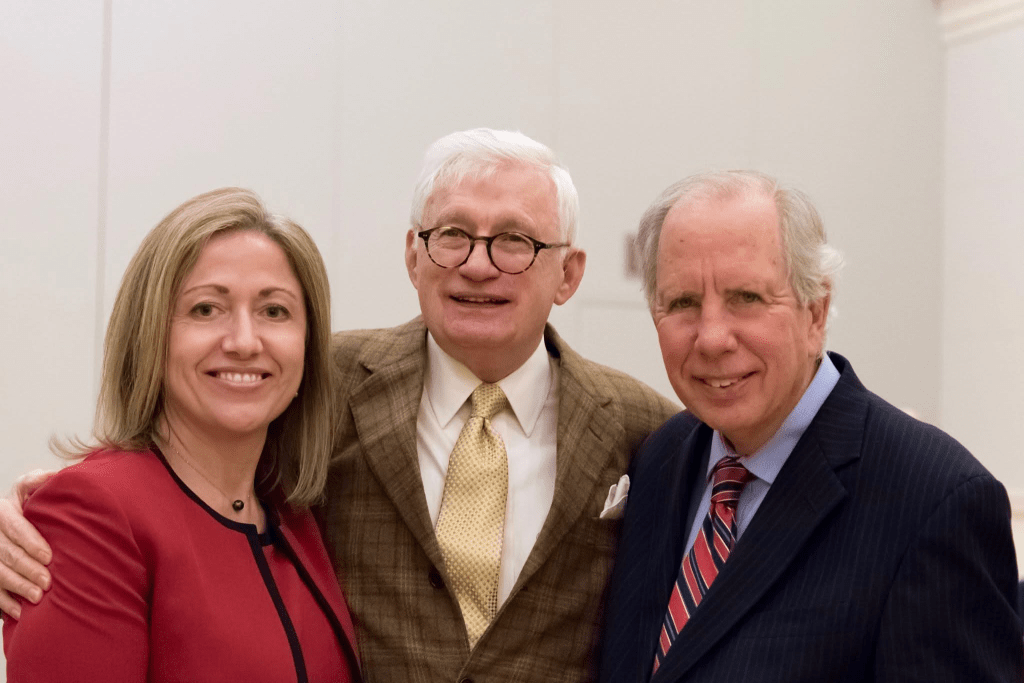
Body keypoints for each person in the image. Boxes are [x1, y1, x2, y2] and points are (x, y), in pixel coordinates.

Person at [0, 130, 678, 682]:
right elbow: (162, 465)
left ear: (570, 273)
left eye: (515, 240)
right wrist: (53, 505)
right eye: (452, 235)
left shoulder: (645, 428)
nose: (478, 263)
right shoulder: (328, 385)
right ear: (413, 255)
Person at [597, 170, 1023, 682]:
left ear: (816, 312)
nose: (711, 338)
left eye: (746, 298)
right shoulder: (662, 457)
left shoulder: (935, 501)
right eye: (683, 303)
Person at [2, 188, 361, 682]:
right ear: (151, 334)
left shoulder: (294, 511)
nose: (243, 342)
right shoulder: (95, 514)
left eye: (274, 311)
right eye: (206, 310)